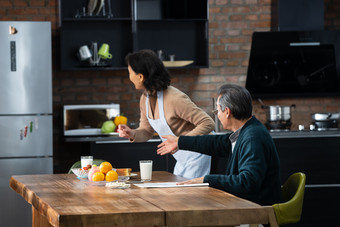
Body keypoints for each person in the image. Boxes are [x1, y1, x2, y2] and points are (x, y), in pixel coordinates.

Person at [157, 84, 281, 206]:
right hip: (246, 205)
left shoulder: (253, 137)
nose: (217, 115)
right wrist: (179, 142)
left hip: (255, 210)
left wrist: (206, 179)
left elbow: (247, 182)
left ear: (227, 112)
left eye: (217, 110)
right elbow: (215, 143)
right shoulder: (246, 131)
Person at [117, 49, 215, 179]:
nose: (129, 77)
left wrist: (179, 141)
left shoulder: (175, 98)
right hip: (181, 156)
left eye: (130, 73)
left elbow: (208, 123)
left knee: (191, 197)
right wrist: (133, 133)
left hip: (197, 154)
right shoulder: (145, 98)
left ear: (140, 76)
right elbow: (146, 131)